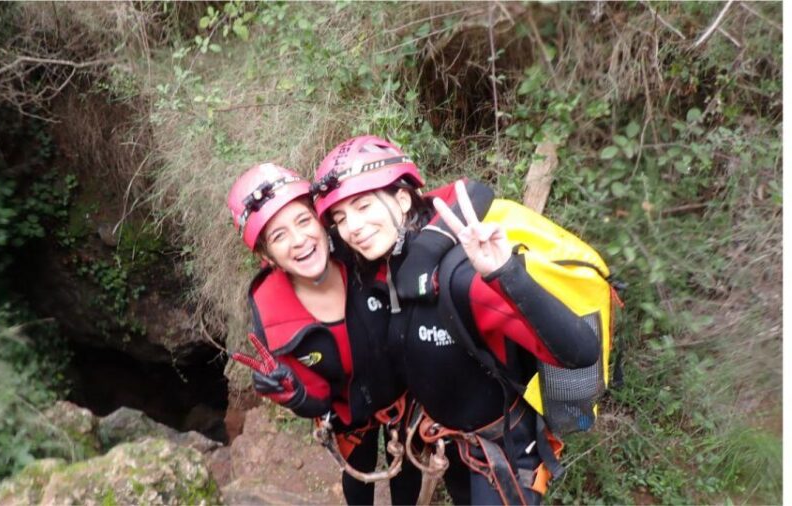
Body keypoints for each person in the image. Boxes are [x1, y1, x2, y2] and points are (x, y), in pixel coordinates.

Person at [312, 136, 601, 505]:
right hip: (454, 449)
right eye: (340, 218)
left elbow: (580, 350)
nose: (353, 226)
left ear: (402, 200)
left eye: (364, 206)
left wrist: (506, 272)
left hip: (504, 456)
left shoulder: (460, 279)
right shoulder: (384, 275)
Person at [226, 163, 421, 505]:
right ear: (266, 256)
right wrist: (293, 394)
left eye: (304, 221)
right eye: (278, 235)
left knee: (407, 474)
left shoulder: (363, 251)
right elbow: (317, 398)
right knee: (357, 478)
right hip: (350, 417)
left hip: (404, 400)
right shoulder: (276, 316)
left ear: (321, 221)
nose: (299, 240)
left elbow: (432, 208)